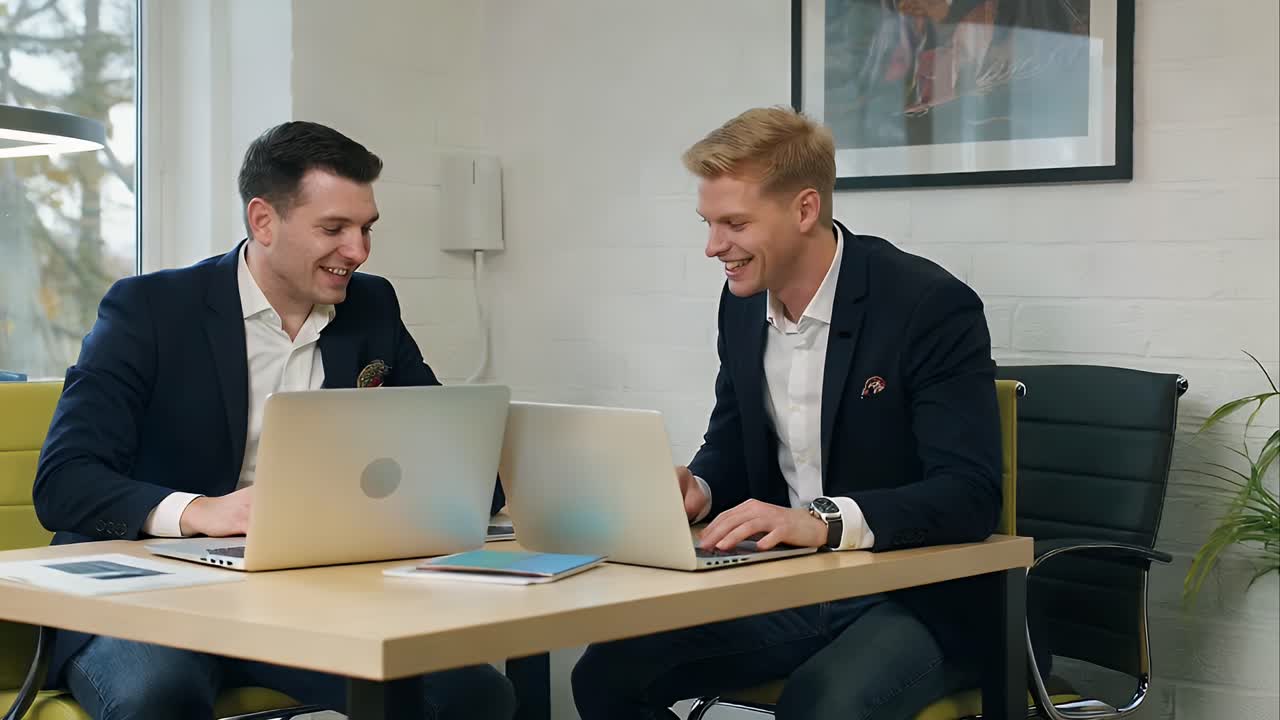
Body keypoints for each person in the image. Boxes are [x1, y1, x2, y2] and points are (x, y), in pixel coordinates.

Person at [33, 121, 515, 720]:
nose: (357, 251)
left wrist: (468, 487)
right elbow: (64, 482)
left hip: (303, 594)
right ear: (263, 221)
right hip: (151, 591)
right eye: (333, 229)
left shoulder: (372, 306)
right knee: (157, 694)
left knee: (473, 693)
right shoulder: (150, 311)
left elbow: (456, 460)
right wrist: (201, 511)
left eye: (365, 229)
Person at [570, 106, 1003, 719]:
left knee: (819, 705)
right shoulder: (742, 303)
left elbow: (970, 494)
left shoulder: (928, 305)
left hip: (916, 597)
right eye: (709, 223)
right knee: (608, 673)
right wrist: (701, 486)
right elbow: (731, 438)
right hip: (793, 586)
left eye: (734, 223)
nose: (714, 247)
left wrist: (823, 520)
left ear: (804, 210)